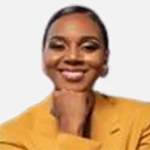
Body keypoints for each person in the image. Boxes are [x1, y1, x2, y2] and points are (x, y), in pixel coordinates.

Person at [0, 5, 150, 150]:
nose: (72, 57)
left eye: (88, 47)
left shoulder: (144, 120)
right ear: (43, 57)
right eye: (58, 46)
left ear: (105, 59)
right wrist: (71, 130)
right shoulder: (10, 137)